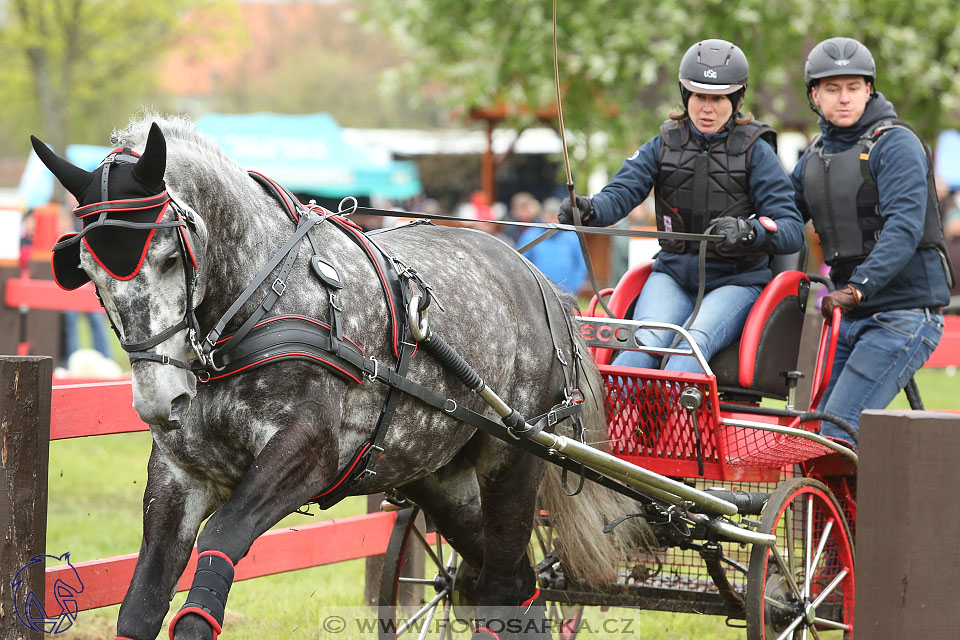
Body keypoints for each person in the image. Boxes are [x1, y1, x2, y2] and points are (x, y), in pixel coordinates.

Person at [559, 39, 804, 372]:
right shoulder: (663, 143)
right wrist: (588, 209)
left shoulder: (758, 151)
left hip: (736, 281)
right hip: (672, 275)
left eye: (718, 99)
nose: (707, 108)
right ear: (685, 95)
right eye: (700, 97)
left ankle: (678, 425)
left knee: (689, 347)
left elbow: (791, 230)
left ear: (737, 99)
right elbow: (620, 194)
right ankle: (617, 423)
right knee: (643, 343)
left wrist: (749, 231)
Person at [791, 37, 954, 446]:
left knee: (837, 431)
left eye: (853, 87)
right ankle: (832, 509)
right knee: (811, 434)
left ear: (869, 90)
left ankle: (871, 509)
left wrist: (856, 289)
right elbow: (783, 218)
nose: (843, 98)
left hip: (903, 314)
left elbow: (903, 229)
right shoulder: (813, 157)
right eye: (832, 88)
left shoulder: (895, 144)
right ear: (814, 94)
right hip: (852, 315)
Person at [517, 196, 587, 295]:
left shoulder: (571, 236)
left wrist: (575, 287)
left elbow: (580, 264)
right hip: (538, 293)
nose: (552, 220)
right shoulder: (530, 235)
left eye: (555, 216)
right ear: (542, 215)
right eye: (549, 215)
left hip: (566, 294)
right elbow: (520, 262)